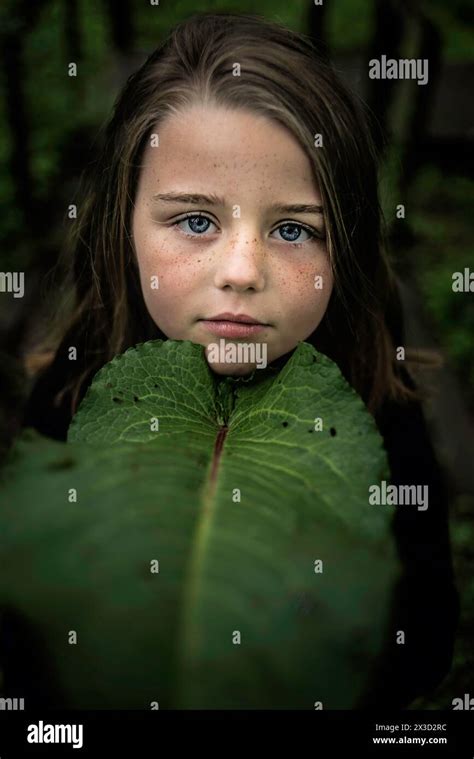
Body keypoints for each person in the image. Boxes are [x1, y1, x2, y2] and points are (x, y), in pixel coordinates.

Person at [19, 12, 458, 707]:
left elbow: (425, 636)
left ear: (344, 248)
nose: (242, 271)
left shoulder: (383, 417)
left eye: (293, 229)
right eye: (196, 220)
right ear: (121, 224)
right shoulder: (66, 397)